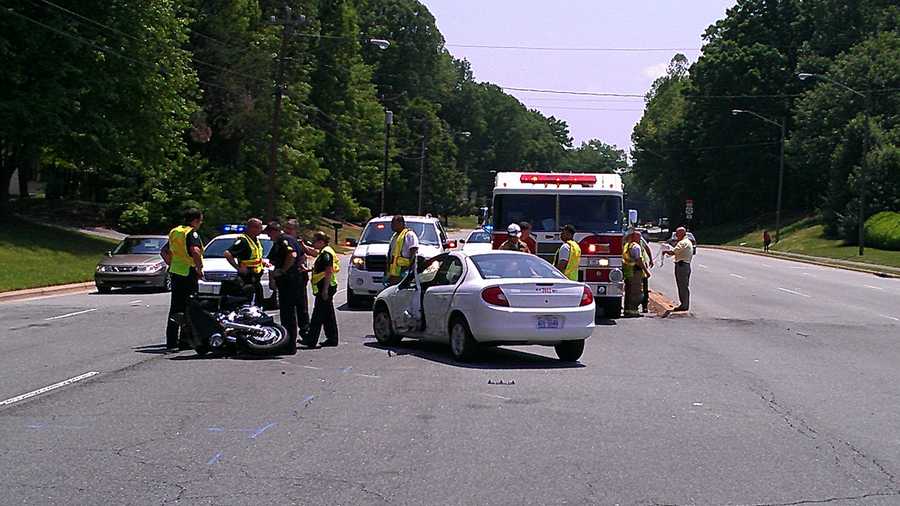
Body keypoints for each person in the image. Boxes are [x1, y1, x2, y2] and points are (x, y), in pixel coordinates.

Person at [160, 208, 205, 351]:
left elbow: (164, 251)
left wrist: (172, 264)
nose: (201, 223)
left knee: (175, 308)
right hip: (188, 273)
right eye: (200, 220)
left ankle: (172, 343)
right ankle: (186, 340)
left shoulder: (175, 231)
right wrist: (199, 268)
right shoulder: (191, 233)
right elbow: (195, 251)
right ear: (195, 220)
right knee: (190, 307)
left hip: (176, 273)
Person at [265, 222, 302, 355]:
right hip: (293, 281)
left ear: (274, 231)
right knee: (289, 313)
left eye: (269, 234)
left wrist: (282, 271)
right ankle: (289, 343)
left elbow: (291, 255)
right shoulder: (292, 239)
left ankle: (289, 345)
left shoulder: (283, 240)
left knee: (288, 314)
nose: (269, 237)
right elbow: (301, 256)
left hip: (288, 281)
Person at [303, 231, 340, 348]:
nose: (313, 243)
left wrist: (324, 290)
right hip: (326, 286)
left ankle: (311, 340)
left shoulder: (326, 254)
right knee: (328, 315)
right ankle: (332, 339)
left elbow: (328, 271)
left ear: (321, 242)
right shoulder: (324, 251)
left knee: (317, 315)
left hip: (326, 287)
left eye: (315, 241)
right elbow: (314, 254)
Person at [283, 219, 318, 337]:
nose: (286, 230)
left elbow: (314, 253)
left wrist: (303, 246)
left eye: (289, 228)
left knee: (301, 306)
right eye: (286, 227)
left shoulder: (299, 241)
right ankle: (287, 333)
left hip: (299, 277)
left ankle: (305, 331)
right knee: (288, 308)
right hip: (288, 279)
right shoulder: (284, 241)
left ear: (296, 230)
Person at [223, 218, 265, 304]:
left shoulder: (255, 240)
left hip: (256, 278)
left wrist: (262, 263)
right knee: (247, 302)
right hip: (246, 278)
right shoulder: (243, 241)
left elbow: (253, 257)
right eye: (259, 227)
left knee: (259, 301)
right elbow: (227, 254)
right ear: (251, 228)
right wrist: (238, 268)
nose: (261, 230)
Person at [662, 226, 693, 311]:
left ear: (682, 233)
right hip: (684, 265)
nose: (676, 235)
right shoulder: (686, 241)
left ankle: (684, 305)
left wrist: (665, 251)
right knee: (683, 285)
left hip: (682, 266)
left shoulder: (682, 243)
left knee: (682, 286)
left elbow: (673, 252)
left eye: (677, 233)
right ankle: (684, 304)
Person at [622, 229, 650, 317]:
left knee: (628, 291)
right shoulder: (636, 247)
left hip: (629, 272)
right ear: (634, 237)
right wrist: (646, 271)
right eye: (639, 237)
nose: (640, 238)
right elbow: (639, 260)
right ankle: (633, 311)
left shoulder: (628, 245)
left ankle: (627, 309)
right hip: (635, 272)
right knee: (636, 292)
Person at [386, 215, 419, 285]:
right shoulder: (395, 236)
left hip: (404, 271)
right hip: (394, 273)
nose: (392, 226)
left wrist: (409, 269)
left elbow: (413, 251)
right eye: (392, 224)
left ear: (401, 223)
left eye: (394, 224)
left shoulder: (409, 234)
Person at [639, 232, 655, 313]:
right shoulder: (628, 241)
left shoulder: (641, 240)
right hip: (634, 268)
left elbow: (647, 249)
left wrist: (651, 260)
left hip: (641, 267)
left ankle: (644, 306)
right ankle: (632, 306)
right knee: (632, 287)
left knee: (644, 287)